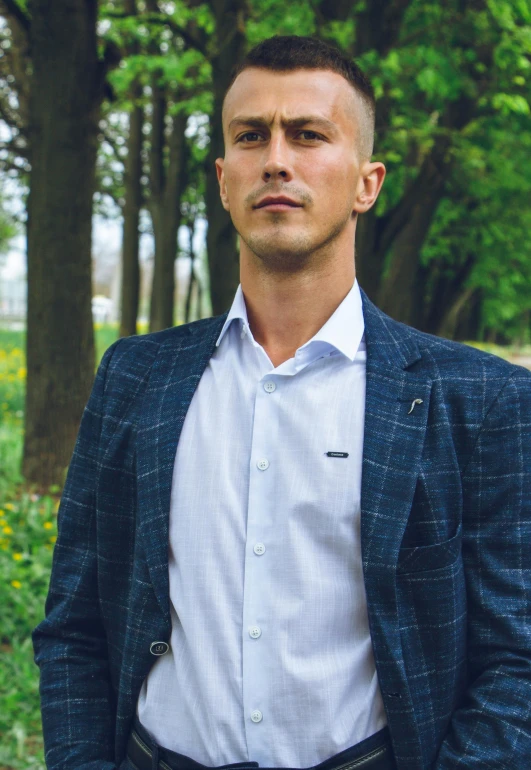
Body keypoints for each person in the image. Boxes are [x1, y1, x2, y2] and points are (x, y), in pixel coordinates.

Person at [32, 34, 531, 770]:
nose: (275, 158)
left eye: (307, 135)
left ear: (367, 182)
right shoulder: (136, 380)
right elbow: (75, 627)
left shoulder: (482, 401)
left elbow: (515, 660)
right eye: (249, 136)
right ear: (225, 178)